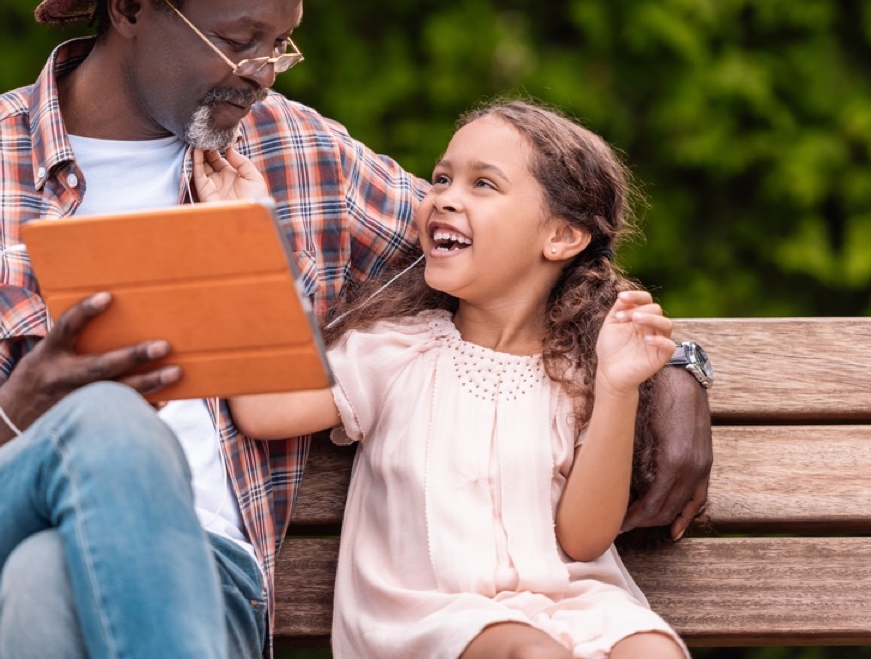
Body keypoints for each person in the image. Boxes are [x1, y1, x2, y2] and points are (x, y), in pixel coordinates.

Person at [0, 0, 711, 657]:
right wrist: (15, 413)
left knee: (51, 588)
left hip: (206, 586)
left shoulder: (301, 158)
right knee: (114, 428)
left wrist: (674, 375)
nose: (266, 72)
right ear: (130, 6)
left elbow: (531, 258)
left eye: (282, 40)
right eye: (239, 41)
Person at [223, 100, 689, 659]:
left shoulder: (578, 374)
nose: (442, 196)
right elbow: (264, 411)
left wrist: (618, 388)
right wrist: (247, 234)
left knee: (651, 649)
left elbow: (585, 540)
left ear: (562, 238)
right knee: (531, 653)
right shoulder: (395, 351)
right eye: (442, 177)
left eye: (482, 184)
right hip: (428, 618)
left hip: (567, 604)